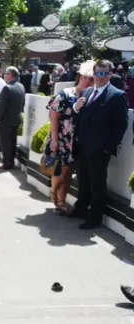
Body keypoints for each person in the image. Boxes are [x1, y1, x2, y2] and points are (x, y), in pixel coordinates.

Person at [71, 60, 129, 229]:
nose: (100, 76)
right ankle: (80, 209)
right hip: (82, 146)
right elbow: (79, 118)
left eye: (104, 73)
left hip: (99, 150)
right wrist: (76, 107)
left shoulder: (117, 95)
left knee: (97, 185)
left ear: (110, 74)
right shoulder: (87, 91)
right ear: (93, 74)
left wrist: (107, 148)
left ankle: (94, 218)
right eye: (97, 73)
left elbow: (121, 126)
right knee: (83, 180)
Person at [43, 60, 94, 212]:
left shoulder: (89, 97)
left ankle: (61, 199)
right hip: (61, 138)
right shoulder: (65, 94)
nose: (90, 82)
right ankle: (56, 195)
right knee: (60, 170)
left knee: (69, 171)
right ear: (81, 77)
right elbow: (53, 117)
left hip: (76, 140)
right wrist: (54, 140)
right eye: (88, 78)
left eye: (92, 79)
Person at [0, 66, 25, 171]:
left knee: (5, 143)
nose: (4, 75)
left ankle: (7, 164)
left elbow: (2, 106)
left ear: (10, 75)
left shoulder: (7, 88)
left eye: (6, 73)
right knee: (12, 142)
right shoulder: (21, 86)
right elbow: (23, 104)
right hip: (16, 118)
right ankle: (11, 162)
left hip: (6, 120)